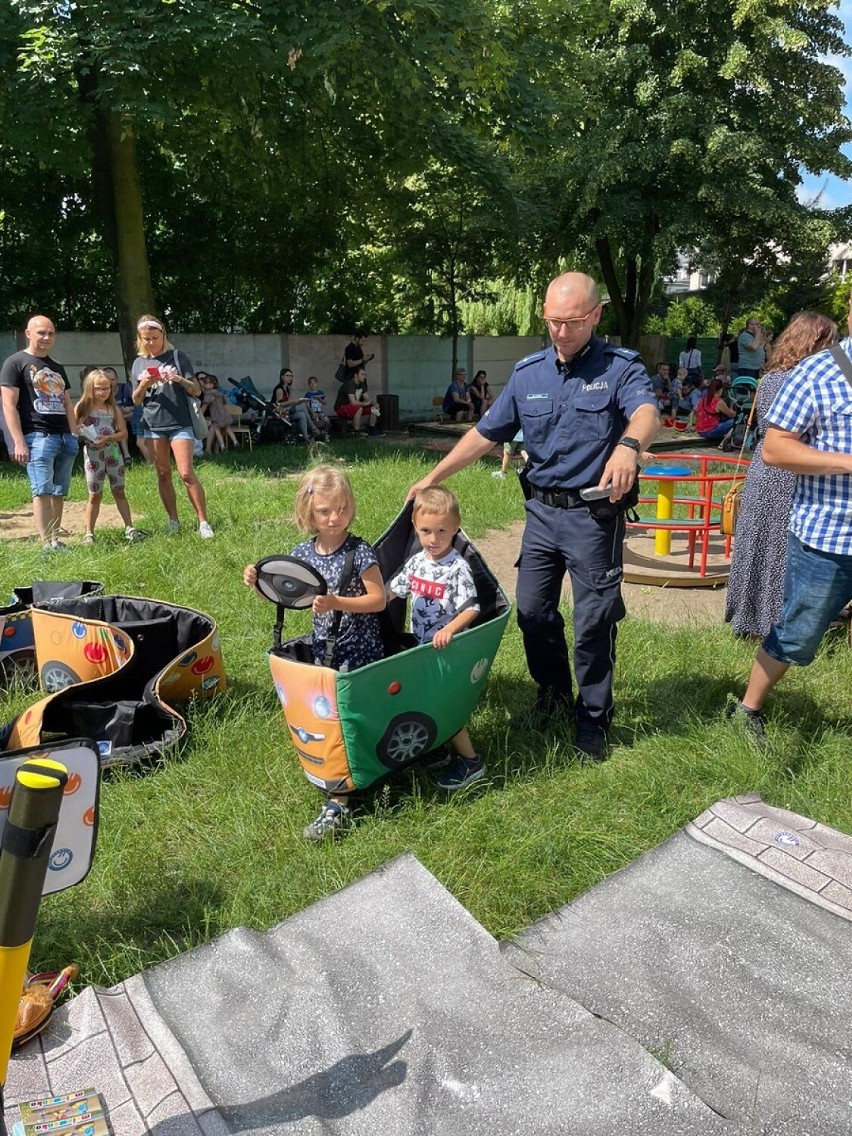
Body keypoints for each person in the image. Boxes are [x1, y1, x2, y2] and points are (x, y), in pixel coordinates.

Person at [408, 272, 659, 759]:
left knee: (592, 620)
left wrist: (629, 446)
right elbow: (486, 433)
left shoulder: (620, 367)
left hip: (593, 516)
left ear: (596, 315)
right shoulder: (529, 374)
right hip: (541, 514)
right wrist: (434, 478)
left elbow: (646, 413)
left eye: (572, 322)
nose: (561, 332)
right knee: (532, 612)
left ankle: (593, 716)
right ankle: (552, 694)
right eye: (552, 321)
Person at [728, 295, 852, 741]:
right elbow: (775, 446)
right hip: (829, 532)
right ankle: (748, 708)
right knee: (797, 631)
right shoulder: (813, 374)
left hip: (796, 500)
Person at [242, 465, 386, 839]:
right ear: (310, 513)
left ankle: (342, 796)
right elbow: (288, 597)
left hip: (359, 650)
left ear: (350, 507)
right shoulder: (303, 553)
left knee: (346, 717)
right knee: (330, 718)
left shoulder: (359, 551)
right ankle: (343, 773)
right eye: (325, 511)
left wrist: (338, 601)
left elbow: (378, 601)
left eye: (341, 509)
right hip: (326, 648)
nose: (334, 518)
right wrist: (258, 584)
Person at [725, 312, 838, 638]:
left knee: (758, 546)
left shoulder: (770, 379)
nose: (834, 350)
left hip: (764, 470)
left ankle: (749, 621)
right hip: (791, 473)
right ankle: (781, 624)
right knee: (784, 550)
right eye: (829, 343)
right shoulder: (806, 383)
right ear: (813, 344)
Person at [388, 486, 484, 790]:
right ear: (415, 528)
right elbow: (394, 590)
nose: (433, 538)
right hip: (422, 648)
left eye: (442, 530)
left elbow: (473, 609)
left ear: (456, 529)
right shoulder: (417, 562)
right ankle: (438, 748)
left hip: (448, 650)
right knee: (424, 700)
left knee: (445, 705)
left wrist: (449, 629)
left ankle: (471, 762)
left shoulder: (457, 568)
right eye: (426, 531)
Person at [130, 314, 214, 538]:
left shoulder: (177, 356)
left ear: (163, 335)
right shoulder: (139, 363)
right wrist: (145, 383)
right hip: (153, 424)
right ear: (140, 338)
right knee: (163, 473)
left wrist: (178, 379)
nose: (150, 342)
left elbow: (196, 390)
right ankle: (173, 520)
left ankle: (203, 522)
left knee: (186, 473)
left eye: (154, 337)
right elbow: (136, 399)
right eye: (145, 338)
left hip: (180, 422)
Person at [0, 315, 79, 551]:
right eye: (41, 333)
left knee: (58, 492)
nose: (46, 338)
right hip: (37, 437)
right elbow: (8, 406)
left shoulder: (57, 367)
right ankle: (47, 545)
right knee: (42, 490)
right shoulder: (15, 363)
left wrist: (74, 433)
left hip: (65, 437)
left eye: (51, 333)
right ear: (28, 333)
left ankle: (56, 540)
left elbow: (67, 402)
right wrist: (18, 443)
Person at [75, 368, 145, 544]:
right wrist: (82, 432)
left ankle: (129, 527)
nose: (103, 392)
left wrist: (109, 438)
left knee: (119, 490)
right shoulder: (83, 407)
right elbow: (73, 428)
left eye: (106, 388)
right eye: (98, 388)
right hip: (93, 455)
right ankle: (89, 533)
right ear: (89, 388)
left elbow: (123, 433)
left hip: (113, 453)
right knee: (94, 494)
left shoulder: (113, 408)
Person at [271, 368, 317, 442]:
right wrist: (293, 401)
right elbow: (278, 404)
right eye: (287, 376)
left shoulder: (287, 388)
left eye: (291, 376)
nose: (290, 378)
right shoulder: (279, 389)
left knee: (302, 414)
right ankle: (313, 427)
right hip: (279, 412)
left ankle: (306, 438)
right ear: (282, 377)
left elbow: (289, 402)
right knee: (302, 406)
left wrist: (297, 401)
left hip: (287, 412)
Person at [334, 365, 380, 435]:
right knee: (359, 408)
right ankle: (356, 432)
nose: (364, 376)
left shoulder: (362, 384)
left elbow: (366, 398)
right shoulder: (349, 384)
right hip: (341, 408)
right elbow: (353, 402)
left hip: (354, 406)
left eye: (365, 375)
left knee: (374, 408)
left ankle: (372, 429)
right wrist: (365, 404)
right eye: (362, 374)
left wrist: (374, 403)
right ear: (356, 375)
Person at [201, 375, 239, 453]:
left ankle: (222, 445)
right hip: (224, 414)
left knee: (216, 429)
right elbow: (224, 402)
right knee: (228, 428)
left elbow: (205, 404)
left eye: (205, 383)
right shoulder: (220, 393)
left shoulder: (208, 394)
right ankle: (235, 441)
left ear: (211, 384)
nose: (204, 385)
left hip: (216, 416)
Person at [694, 377, 736, 444]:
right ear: (720, 389)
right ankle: (725, 442)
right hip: (710, 431)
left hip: (700, 431)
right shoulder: (718, 402)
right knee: (735, 421)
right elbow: (731, 414)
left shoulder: (704, 398)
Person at [303, 376, 331, 440]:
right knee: (314, 422)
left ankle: (325, 434)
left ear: (317, 383)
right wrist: (312, 413)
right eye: (311, 383)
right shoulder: (308, 394)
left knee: (327, 420)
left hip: (320, 412)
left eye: (314, 383)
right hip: (312, 412)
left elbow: (325, 403)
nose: (313, 384)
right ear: (309, 385)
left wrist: (319, 399)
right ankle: (313, 435)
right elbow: (307, 405)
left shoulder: (320, 393)